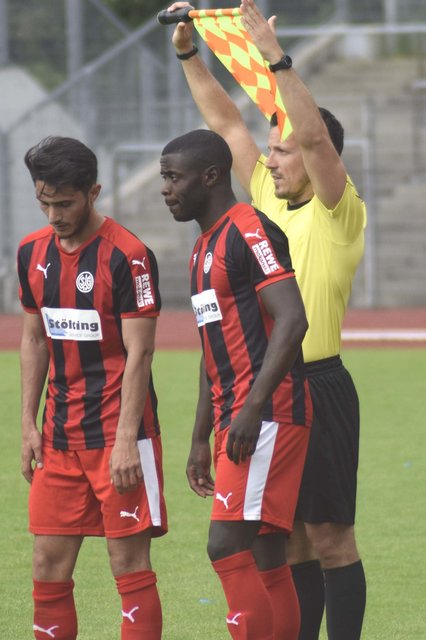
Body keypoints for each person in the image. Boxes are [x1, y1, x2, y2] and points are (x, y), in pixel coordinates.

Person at [167, 1, 367, 639]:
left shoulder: (339, 208)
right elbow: (225, 124)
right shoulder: (262, 203)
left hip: (318, 383)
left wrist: (274, 58)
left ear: (320, 156)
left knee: (332, 538)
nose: (272, 160)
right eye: (271, 152)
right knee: (289, 543)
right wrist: (189, 54)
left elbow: (309, 135)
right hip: (266, 390)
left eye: (283, 151)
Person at [161, 128, 313, 639]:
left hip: (267, 414)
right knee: (266, 552)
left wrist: (251, 409)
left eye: (173, 177)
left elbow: (293, 320)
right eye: (163, 177)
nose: (166, 189)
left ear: (210, 176)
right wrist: (200, 437)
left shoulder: (249, 230)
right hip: (237, 417)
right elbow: (212, 354)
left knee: (225, 546)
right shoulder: (202, 248)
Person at [17, 136, 167, 640]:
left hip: (118, 437)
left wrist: (127, 438)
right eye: (44, 201)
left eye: (65, 202)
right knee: (47, 562)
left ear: (94, 192)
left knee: (127, 561)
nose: (54, 214)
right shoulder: (31, 254)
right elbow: (35, 337)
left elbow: (140, 353)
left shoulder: (129, 256)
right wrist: (27, 423)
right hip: (59, 437)